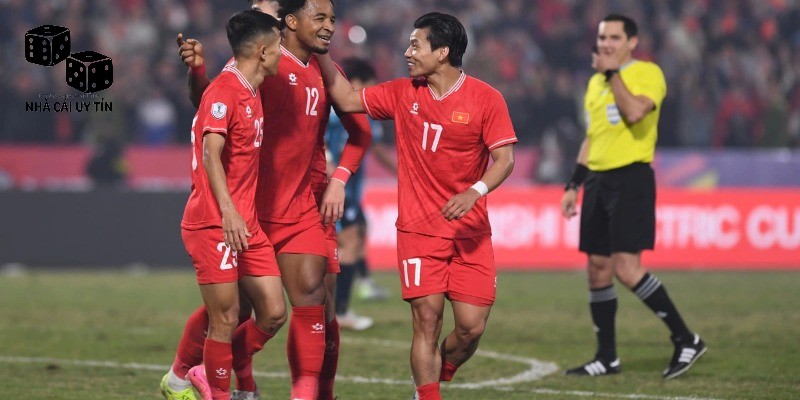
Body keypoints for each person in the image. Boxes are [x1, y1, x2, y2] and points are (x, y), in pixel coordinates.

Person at [168, 1, 373, 399]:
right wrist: (197, 73)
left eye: (332, 19)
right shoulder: (255, 68)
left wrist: (339, 179)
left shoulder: (322, 70)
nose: (330, 26)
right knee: (232, 311)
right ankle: (189, 376)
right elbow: (212, 104)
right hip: (245, 211)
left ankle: (307, 393)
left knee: (312, 302)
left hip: (304, 205)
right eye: (321, 18)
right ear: (288, 22)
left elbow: (360, 127)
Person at [317, 12, 517, 400]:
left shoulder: (486, 98)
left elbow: (505, 160)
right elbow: (346, 97)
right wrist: (320, 50)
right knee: (426, 319)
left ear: (442, 52)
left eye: (415, 45)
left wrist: (474, 191)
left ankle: (437, 374)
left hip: (470, 233)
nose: (407, 53)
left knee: (471, 329)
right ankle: (426, 393)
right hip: (418, 231)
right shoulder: (402, 92)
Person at [560, 14, 706, 379]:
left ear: (632, 42)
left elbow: (636, 111)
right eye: (602, 38)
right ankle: (606, 358)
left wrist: (612, 74)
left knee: (626, 268)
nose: (606, 44)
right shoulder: (594, 82)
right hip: (597, 180)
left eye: (614, 37)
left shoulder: (648, 73)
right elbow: (592, 136)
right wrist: (574, 184)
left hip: (631, 177)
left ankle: (686, 338)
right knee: (597, 268)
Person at [160, 10, 284, 400]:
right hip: (215, 221)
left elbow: (201, 93)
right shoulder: (227, 89)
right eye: (279, 46)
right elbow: (210, 153)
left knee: (273, 312)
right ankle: (216, 388)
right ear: (262, 51)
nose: (282, 53)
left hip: (246, 223)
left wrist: (196, 70)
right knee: (226, 317)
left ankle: (207, 368)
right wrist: (228, 211)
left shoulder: (249, 85)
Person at [324, 57, 397, 331]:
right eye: (369, 86)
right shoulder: (335, 113)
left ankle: (339, 306)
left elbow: (373, 146)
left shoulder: (362, 113)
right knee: (347, 244)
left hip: (349, 190)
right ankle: (338, 311)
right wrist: (332, 172)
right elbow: (316, 140)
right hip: (336, 189)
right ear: (355, 83)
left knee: (354, 238)